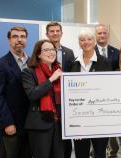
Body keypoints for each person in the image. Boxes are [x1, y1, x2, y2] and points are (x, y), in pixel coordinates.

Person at [0, 26, 31, 158]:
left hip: (31, 124)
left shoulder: (33, 63)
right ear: (9, 40)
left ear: (26, 40)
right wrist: (8, 123)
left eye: (22, 37)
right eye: (15, 36)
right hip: (12, 125)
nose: (19, 40)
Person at [69, 29, 112, 158]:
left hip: (99, 117)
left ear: (94, 41)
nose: (86, 42)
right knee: (81, 153)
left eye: (89, 39)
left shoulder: (104, 62)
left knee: (100, 153)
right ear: (79, 43)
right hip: (79, 119)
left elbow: (109, 89)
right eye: (82, 40)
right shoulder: (74, 64)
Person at [22, 39, 64, 158]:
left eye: (52, 49)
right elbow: (32, 94)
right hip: (39, 124)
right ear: (39, 54)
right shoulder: (28, 72)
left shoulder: (60, 71)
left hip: (58, 124)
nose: (51, 52)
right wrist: (51, 79)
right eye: (46, 50)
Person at [45, 21, 75, 158]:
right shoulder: (41, 53)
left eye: (57, 31)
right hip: (46, 101)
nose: (55, 33)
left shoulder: (69, 53)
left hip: (64, 102)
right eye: (52, 31)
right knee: (50, 140)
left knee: (65, 141)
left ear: (62, 33)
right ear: (47, 34)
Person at [94, 23, 120, 157]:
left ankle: (113, 153)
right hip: (96, 99)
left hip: (114, 97)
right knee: (98, 135)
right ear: (95, 35)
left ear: (108, 35)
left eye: (104, 33)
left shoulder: (117, 52)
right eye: (99, 33)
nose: (102, 35)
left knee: (112, 131)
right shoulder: (89, 51)